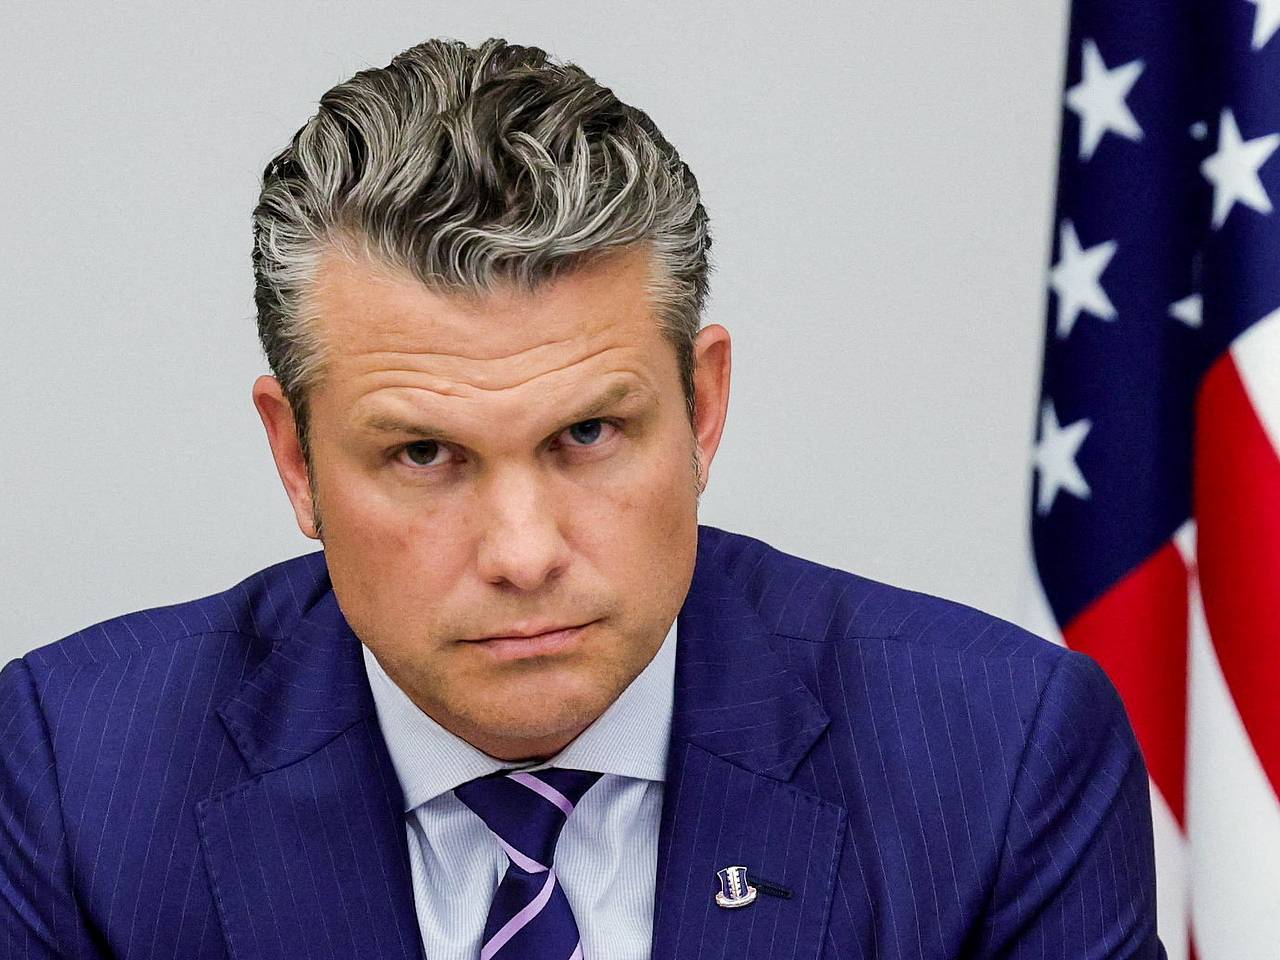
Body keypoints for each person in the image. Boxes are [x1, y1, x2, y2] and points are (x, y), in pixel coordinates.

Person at [0, 36, 1165, 960]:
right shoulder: (74, 778)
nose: (522, 554)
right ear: (296, 459)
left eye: (587, 435)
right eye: (422, 454)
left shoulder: (997, 755)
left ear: (701, 407)